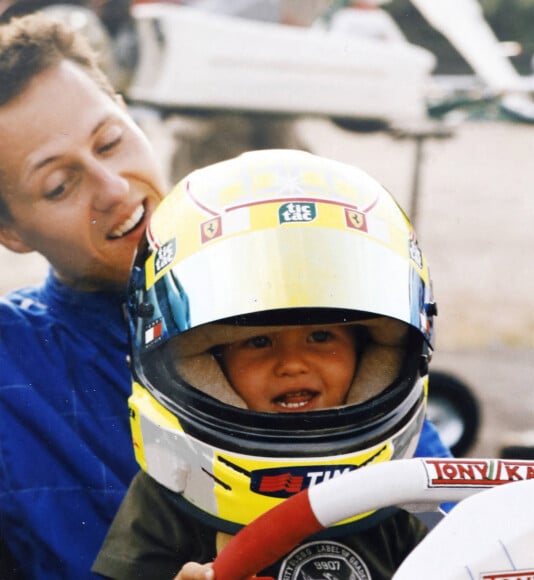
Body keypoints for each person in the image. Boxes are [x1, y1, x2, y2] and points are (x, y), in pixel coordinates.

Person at [92, 148, 445, 579]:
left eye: (321, 337)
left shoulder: (397, 496)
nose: (293, 364)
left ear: (376, 356)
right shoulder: (168, 498)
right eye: (258, 341)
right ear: (208, 368)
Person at [0, 12, 166, 578]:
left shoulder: (286, 262)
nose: (115, 189)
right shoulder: (11, 373)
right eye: (59, 185)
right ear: (11, 232)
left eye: (111, 140)